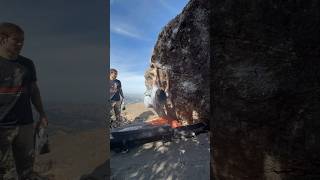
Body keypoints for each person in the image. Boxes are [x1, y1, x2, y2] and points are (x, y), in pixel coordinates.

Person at [0, 22, 48, 180]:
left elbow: (34, 90)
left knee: (27, 168)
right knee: (4, 171)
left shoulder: (27, 64)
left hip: (25, 123)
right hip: (2, 125)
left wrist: (42, 113)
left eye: (22, 41)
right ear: (3, 39)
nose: (20, 44)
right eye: (16, 40)